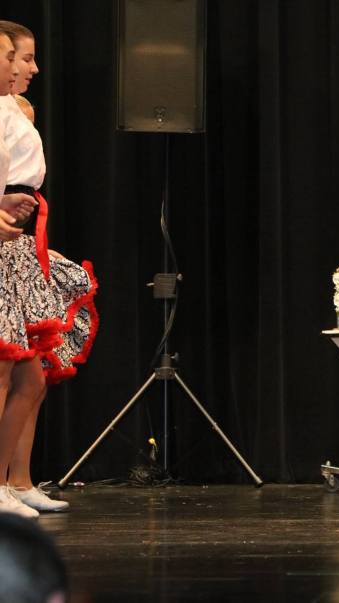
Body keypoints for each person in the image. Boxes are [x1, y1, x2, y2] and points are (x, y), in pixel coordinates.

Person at [0, 20, 98, 517]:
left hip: (19, 241)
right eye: (20, 57)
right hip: (7, 246)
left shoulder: (15, 109)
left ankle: (17, 479)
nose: (31, 68)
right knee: (12, 371)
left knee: (33, 375)